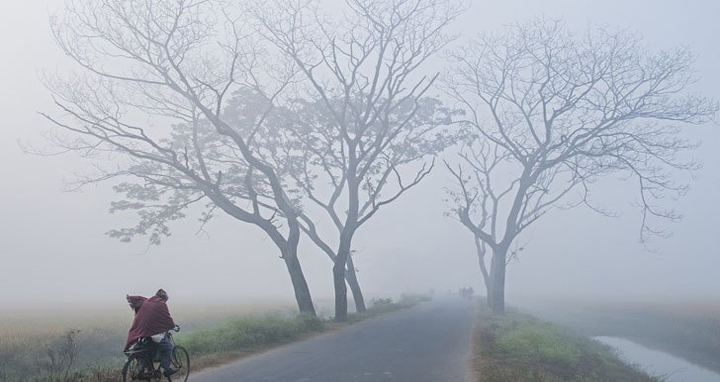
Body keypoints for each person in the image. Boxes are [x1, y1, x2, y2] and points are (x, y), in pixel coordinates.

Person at [124, 289, 177, 377]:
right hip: (152, 332)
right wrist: (172, 326)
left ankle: (141, 370)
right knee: (168, 347)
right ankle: (167, 369)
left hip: (140, 332)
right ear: (163, 298)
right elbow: (167, 318)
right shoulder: (161, 303)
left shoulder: (146, 301)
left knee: (144, 350)